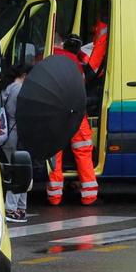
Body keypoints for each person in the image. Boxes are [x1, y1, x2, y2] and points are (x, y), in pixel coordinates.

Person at [47, 34, 98, 206]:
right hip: (77, 114)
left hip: (56, 114)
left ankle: (54, 197)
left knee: (55, 155)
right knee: (84, 153)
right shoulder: (76, 61)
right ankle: (89, 196)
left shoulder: (46, 58)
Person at [0, 63, 32, 223]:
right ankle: (12, 209)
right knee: (20, 173)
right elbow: (19, 113)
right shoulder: (18, 89)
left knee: (21, 172)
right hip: (15, 136)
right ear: (24, 75)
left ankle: (19, 208)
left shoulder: (6, 88)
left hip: (7, 136)